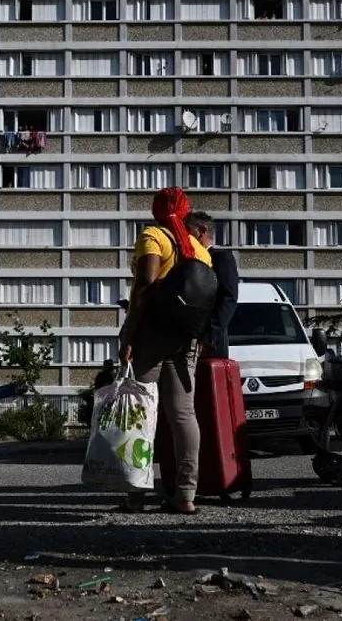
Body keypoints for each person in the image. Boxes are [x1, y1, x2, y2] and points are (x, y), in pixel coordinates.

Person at [118, 187, 212, 515]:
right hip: (186, 339)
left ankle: (135, 495)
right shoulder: (200, 250)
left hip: (152, 335)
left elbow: (145, 284)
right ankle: (185, 494)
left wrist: (129, 334)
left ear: (156, 209)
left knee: (139, 413)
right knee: (183, 415)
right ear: (185, 213)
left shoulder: (153, 236)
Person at [185, 211, 240, 359]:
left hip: (209, 344)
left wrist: (209, 338)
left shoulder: (221, 258)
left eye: (187, 231)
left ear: (201, 231)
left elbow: (228, 298)